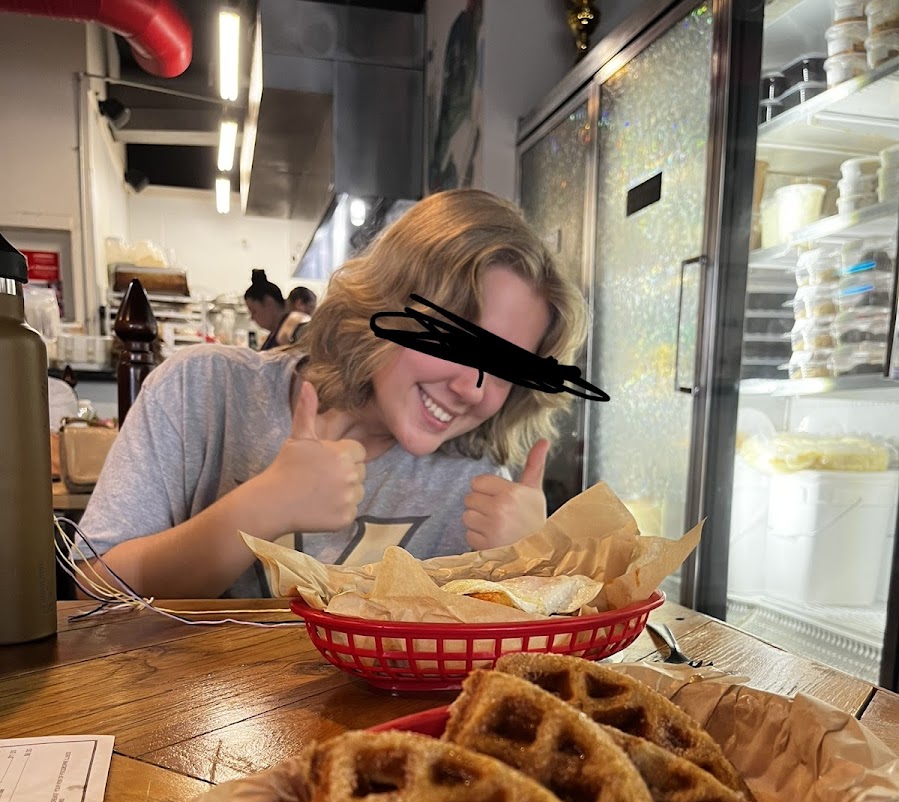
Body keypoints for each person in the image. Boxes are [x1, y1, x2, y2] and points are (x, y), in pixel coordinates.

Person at [77, 189, 587, 600]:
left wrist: (524, 569)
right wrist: (260, 508)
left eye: (503, 370)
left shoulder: (478, 488)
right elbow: (93, 587)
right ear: (389, 306)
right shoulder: (204, 390)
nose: (469, 389)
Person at [244, 270, 289, 350]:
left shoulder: (289, 333)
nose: (252, 318)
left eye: (254, 311)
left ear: (269, 303)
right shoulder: (276, 333)